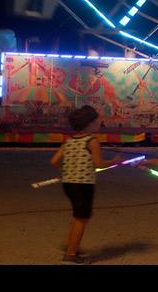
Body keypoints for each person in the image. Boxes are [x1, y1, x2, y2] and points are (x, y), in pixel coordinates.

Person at [50, 105, 123, 264]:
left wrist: (66, 170)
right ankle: (70, 254)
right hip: (83, 185)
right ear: (89, 123)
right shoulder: (92, 141)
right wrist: (114, 162)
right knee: (81, 218)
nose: (99, 123)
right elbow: (99, 164)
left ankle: (72, 245)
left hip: (68, 184)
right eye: (97, 120)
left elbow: (54, 161)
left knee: (78, 216)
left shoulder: (69, 141)